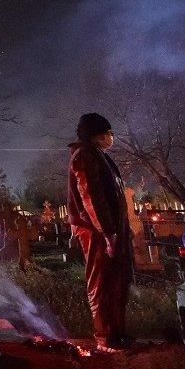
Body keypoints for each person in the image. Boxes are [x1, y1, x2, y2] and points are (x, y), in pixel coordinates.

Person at [67, 113, 132, 351]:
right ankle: (105, 337)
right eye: (109, 133)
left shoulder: (98, 156)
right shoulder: (84, 157)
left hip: (110, 229)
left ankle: (117, 333)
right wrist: (107, 233)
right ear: (98, 134)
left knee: (116, 279)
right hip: (95, 230)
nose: (111, 138)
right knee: (101, 281)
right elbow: (91, 198)